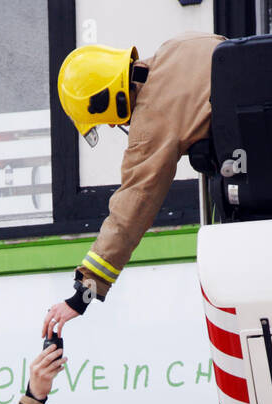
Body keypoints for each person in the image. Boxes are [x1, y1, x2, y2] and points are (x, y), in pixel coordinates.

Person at [43, 33, 224, 340]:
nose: (113, 125)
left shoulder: (149, 128)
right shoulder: (177, 47)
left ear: (109, 97)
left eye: (103, 118)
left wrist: (82, 295)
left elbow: (130, 213)